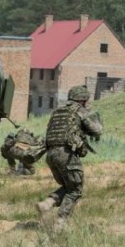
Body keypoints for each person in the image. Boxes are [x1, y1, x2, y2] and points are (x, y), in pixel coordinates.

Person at [36, 85, 103, 230]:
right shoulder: (79, 110)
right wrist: (97, 119)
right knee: (75, 190)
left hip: (51, 154)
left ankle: (48, 203)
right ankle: (60, 223)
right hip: (66, 155)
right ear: (83, 100)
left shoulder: (57, 112)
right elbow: (96, 130)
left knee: (69, 186)